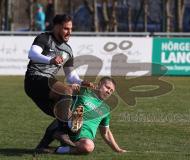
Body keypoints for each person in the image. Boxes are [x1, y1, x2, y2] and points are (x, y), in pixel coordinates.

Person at [24, 14, 89, 147]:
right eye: (66, 28)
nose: (69, 32)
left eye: (71, 29)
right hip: (34, 80)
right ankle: (62, 132)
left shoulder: (68, 50)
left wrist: (82, 82)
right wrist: (50, 60)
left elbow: (71, 76)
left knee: (70, 116)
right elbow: (32, 54)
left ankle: (42, 146)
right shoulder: (44, 38)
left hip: (47, 87)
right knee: (67, 91)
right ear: (57, 27)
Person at [35, 77, 127, 154]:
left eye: (111, 91)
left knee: (88, 147)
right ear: (99, 84)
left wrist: (117, 149)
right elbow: (65, 91)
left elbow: (105, 132)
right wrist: (73, 86)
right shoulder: (84, 91)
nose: (108, 92)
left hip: (83, 139)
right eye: (107, 87)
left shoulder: (105, 109)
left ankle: (55, 149)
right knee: (78, 115)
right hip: (69, 128)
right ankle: (68, 129)